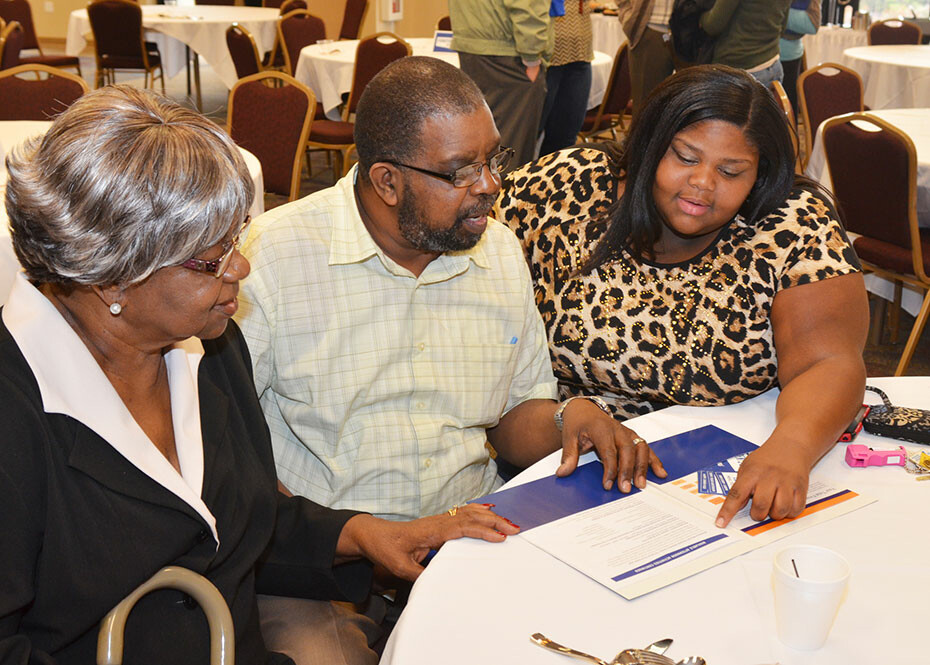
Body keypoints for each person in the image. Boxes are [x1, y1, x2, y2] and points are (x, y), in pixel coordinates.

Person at [0, 85, 519, 665]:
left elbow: (232, 522)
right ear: (111, 274)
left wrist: (371, 534)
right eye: (212, 256)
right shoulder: (18, 406)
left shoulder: (206, 355)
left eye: (236, 240)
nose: (241, 266)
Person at [236, 56, 665, 525]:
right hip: (329, 545)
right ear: (387, 182)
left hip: (472, 524)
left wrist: (570, 417)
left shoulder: (496, 249)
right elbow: (228, 444)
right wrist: (340, 542)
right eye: (460, 171)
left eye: (492, 160)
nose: (491, 185)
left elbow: (513, 416)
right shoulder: (273, 256)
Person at [494, 65, 869, 530]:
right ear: (651, 144)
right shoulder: (567, 189)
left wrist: (791, 446)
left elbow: (828, 361)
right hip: (561, 461)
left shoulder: (789, 223)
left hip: (713, 471)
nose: (703, 184)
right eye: (686, 158)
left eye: (731, 171)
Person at [448, 0, 553, 167]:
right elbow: (528, 6)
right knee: (510, 152)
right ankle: (506, 193)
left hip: (473, 45)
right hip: (509, 54)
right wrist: (532, 56)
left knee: (482, 145)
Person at [539, 0, 594, 155]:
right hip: (544, 55)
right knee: (528, 135)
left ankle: (553, 178)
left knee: (566, 139)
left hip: (581, 51)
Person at [700, 0, 792, 85]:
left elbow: (713, 26)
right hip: (773, 64)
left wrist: (701, 17)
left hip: (740, 66)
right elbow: (783, 26)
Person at [617, 0, 676, 116]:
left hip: (691, 30)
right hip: (650, 29)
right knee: (645, 106)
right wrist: (626, 14)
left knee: (693, 102)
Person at [780, 0, 821, 115]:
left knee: (787, 117)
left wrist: (774, 12)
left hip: (788, 56)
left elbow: (812, 24)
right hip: (754, 53)